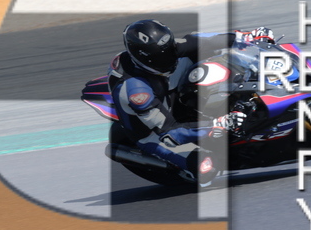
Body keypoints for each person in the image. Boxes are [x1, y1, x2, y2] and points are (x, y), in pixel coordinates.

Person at [107, 19, 274, 186]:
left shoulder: (165, 50)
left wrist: (247, 37)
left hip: (166, 88)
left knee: (209, 54)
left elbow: (206, 40)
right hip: (156, 133)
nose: (169, 58)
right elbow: (169, 131)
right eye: (160, 57)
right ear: (144, 58)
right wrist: (216, 124)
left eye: (170, 50)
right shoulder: (137, 92)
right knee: (207, 167)